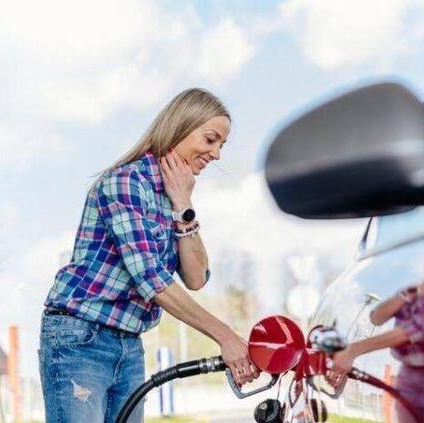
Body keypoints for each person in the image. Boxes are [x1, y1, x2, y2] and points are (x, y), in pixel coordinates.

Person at [38, 88, 259, 423]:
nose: (216, 154)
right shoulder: (126, 182)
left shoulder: (174, 195)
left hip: (128, 342)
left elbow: (197, 278)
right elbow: (151, 280)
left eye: (222, 145)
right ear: (181, 127)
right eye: (211, 139)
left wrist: (184, 205)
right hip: (80, 337)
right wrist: (226, 336)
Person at [327, 258, 424, 423]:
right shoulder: (415, 289)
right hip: (408, 375)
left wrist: (352, 350)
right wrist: (410, 294)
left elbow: (411, 331)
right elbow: (376, 317)